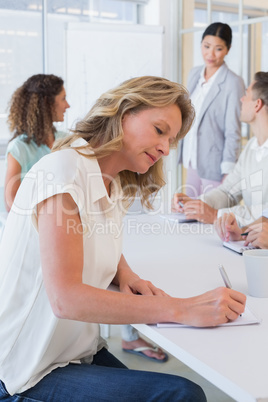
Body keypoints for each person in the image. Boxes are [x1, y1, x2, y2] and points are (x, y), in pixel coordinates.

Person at [0, 76, 246, 401]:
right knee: (182, 395)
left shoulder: (110, 184)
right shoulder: (63, 174)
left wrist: (125, 272)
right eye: (160, 130)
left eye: (170, 140)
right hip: (23, 372)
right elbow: (66, 298)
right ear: (123, 112)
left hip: (73, 352)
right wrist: (178, 309)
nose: (164, 148)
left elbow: (93, 236)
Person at [174, 71, 268, 227]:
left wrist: (217, 215)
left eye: (246, 94)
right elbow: (228, 192)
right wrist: (196, 204)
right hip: (249, 241)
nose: (241, 99)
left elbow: (266, 212)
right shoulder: (252, 147)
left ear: (257, 104)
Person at [177, 22, 245, 198]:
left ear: (228, 50)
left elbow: (233, 131)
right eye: (206, 46)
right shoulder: (194, 74)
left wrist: (228, 171)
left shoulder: (233, 82)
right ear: (201, 44)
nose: (210, 54)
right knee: (189, 212)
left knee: (210, 216)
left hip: (215, 166)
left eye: (218, 49)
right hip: (191, 157)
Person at [4, 73, 70, 212]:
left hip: (62, 219)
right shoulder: (19, 148)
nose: (67, 105)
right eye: (63, 99)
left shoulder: (66, 141)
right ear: (48, 103)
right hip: (34, 227)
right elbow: (11, 205)